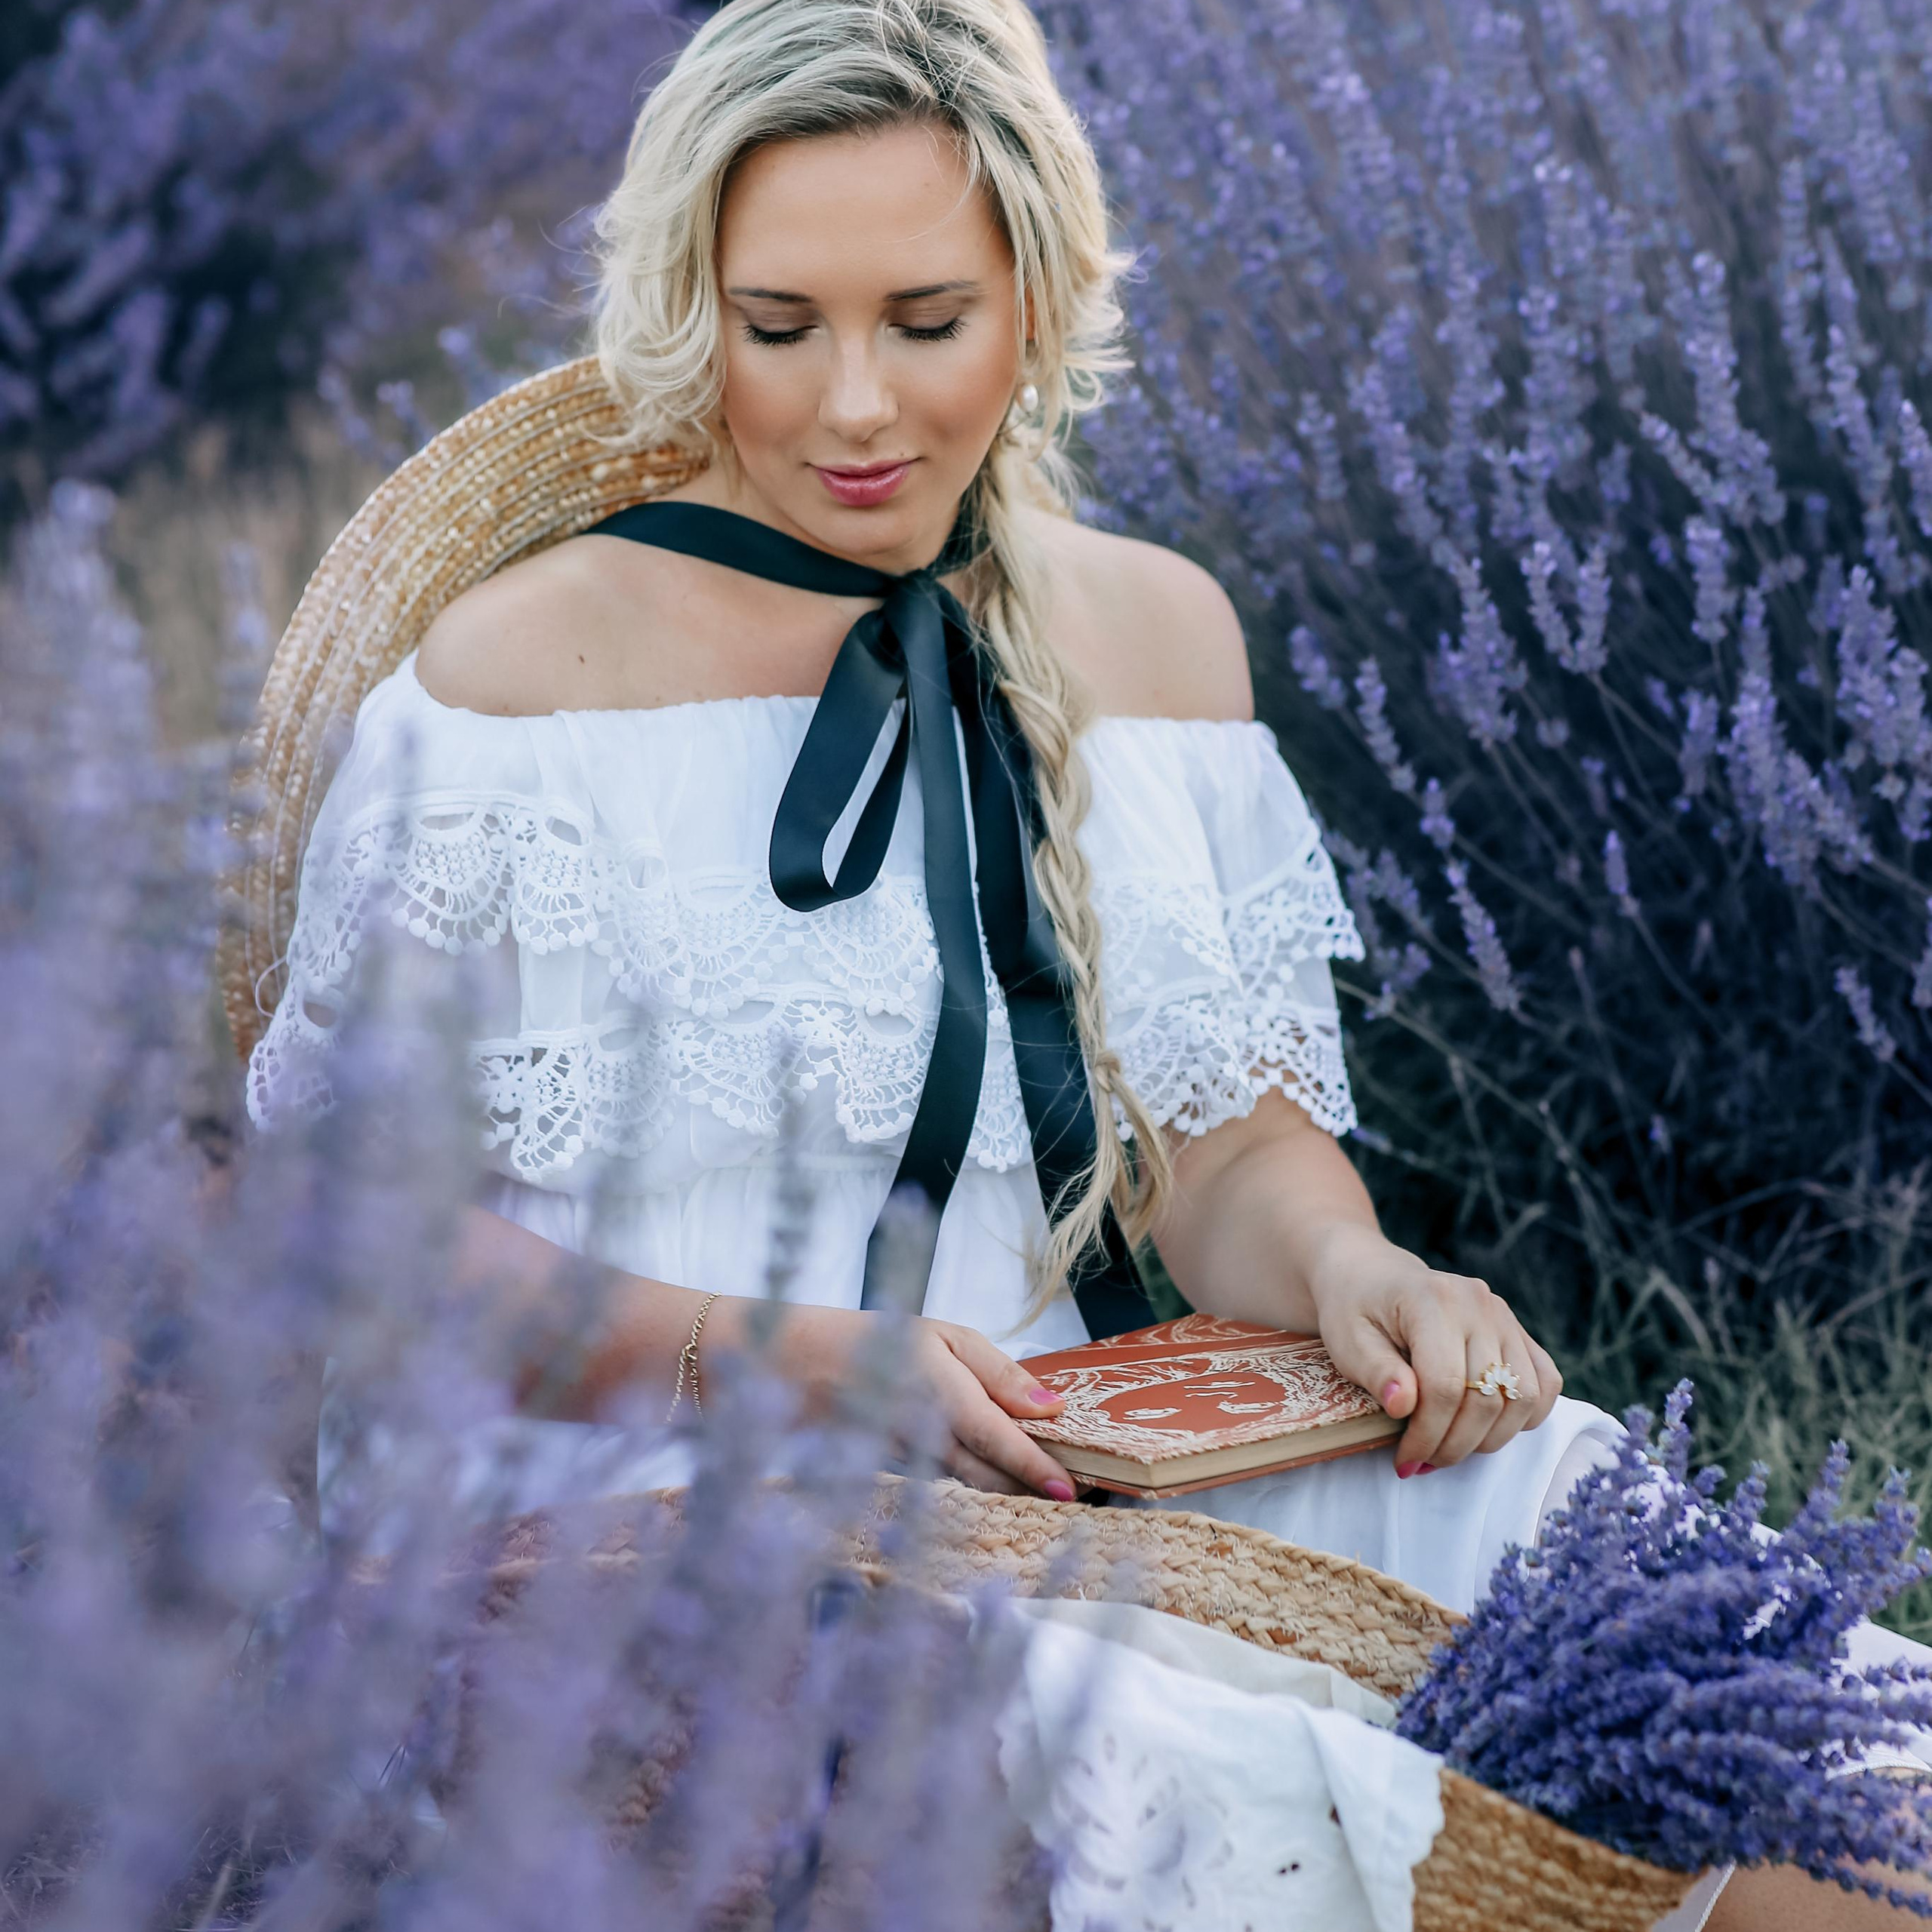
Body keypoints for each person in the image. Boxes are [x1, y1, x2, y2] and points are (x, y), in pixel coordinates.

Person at [242, 2, 1931, 1923]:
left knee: (1613, 1551)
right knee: (1154, 1750)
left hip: (1073, 1450)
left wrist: (1354, 1267)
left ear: (1037, 299)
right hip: (640, 1489)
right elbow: (352, 1242)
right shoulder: (505, 680)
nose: (855, 406)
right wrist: (800, 1362)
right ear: (681, 307)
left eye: (925, 319)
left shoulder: (1155, 637)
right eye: (778, 325)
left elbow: (1218, 1159)